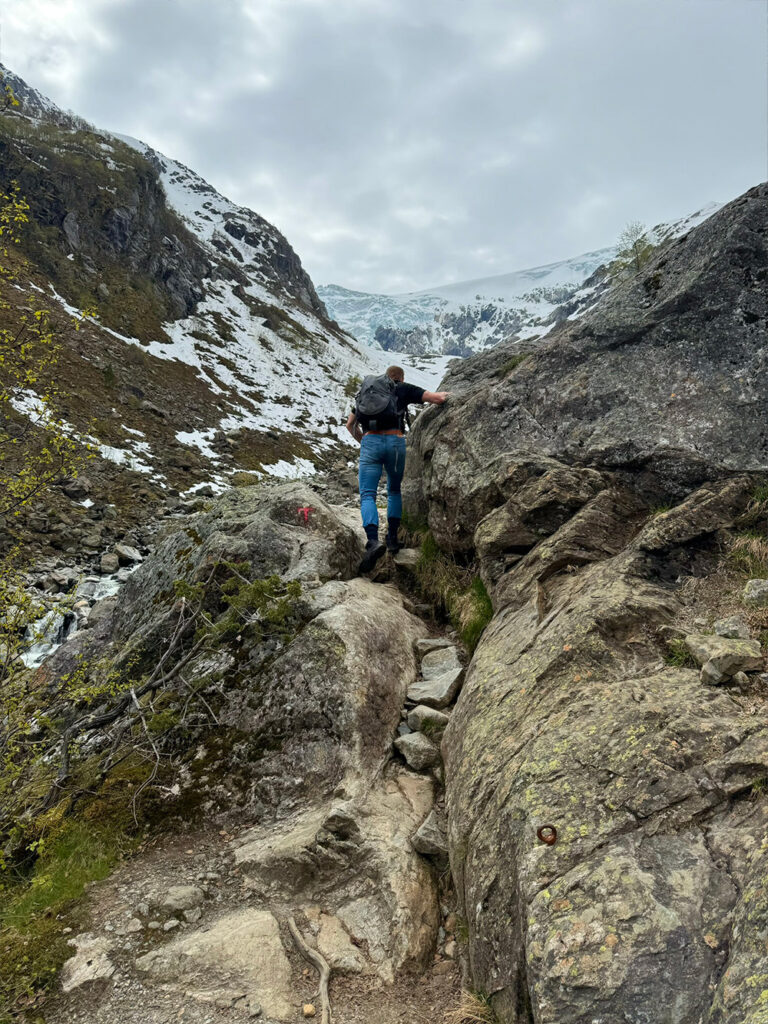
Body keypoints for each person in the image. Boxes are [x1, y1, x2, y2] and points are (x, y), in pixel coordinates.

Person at [346, 365, 449, 572]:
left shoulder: (368, 393)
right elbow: (437, 398)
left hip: (370, 443)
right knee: (393, 490)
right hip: (395, 442)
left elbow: (350, 425)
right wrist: (450, 394)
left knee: (367, 494)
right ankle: (392, 539)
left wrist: (364, 442)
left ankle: (373, 541)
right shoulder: (402, 388)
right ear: (400, 378)